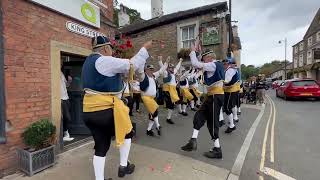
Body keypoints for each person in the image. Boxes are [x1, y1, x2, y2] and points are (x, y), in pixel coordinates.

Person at [81, 35, 152, 180]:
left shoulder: (88, 62)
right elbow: (133, 64)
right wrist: (144, 48)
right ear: (106, 48)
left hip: (89, 111)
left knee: (101, 145)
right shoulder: (103, 60)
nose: (112, 52)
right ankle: (123, 165)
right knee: (127, 132)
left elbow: (106, 79)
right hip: (104, 110)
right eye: (111, 50)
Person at [181, 47, 225, 159]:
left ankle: (217, 149)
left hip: (216, 96)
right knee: (199, 115)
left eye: (204, 58)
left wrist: (192, 51)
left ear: (209, 57)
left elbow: (195, 64)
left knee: (212, 122)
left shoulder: (213, 64)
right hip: (212, 96)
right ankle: (193, 140)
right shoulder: (214, 65)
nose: (203, 61)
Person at [140, 59, 168, 136]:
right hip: (146, 97)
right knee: (155, 111)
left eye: (152, 70)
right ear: (146, 70)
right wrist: (143, 60)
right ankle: (158, 126)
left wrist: (166, 62)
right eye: (150, 70)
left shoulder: (153, 76)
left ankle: (149, 130)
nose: (151, 71)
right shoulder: (143, 76)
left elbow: (161, 71)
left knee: (152, 114)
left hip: (152, 98)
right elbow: (140, 69)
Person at [161, 58, 183, 124]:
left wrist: (180, 61)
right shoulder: (165, 73)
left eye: (172, 68)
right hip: (168, 90)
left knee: (177, 101)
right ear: (168, 68)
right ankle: (168, 118)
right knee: (171, 105)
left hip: (173, 90)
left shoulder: (173, 73)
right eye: (170, 68)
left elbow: (177, 67)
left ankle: (180, 111)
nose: (172, 69)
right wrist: (161, 61)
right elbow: (162, 67)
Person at [223, 59, 240, 133]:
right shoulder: (233, 70)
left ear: (228, 64)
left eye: (225, 64)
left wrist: (219, 82)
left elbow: (227, 81)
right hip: (232, 90)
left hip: (230, 91)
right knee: (232, 106)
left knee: (227, 108)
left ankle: (232, 125)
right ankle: (234, 119)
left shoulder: (230, 70)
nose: (224, 65)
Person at [61, 71, 75, 142]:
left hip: (66, 97)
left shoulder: (61, 73)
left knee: (67, 117)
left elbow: (66, 85)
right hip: (61, 99)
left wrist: (69, 81)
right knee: (67, 117)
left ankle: (66, 134)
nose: (61, 63)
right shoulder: (54, 72)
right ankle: (65, 135)